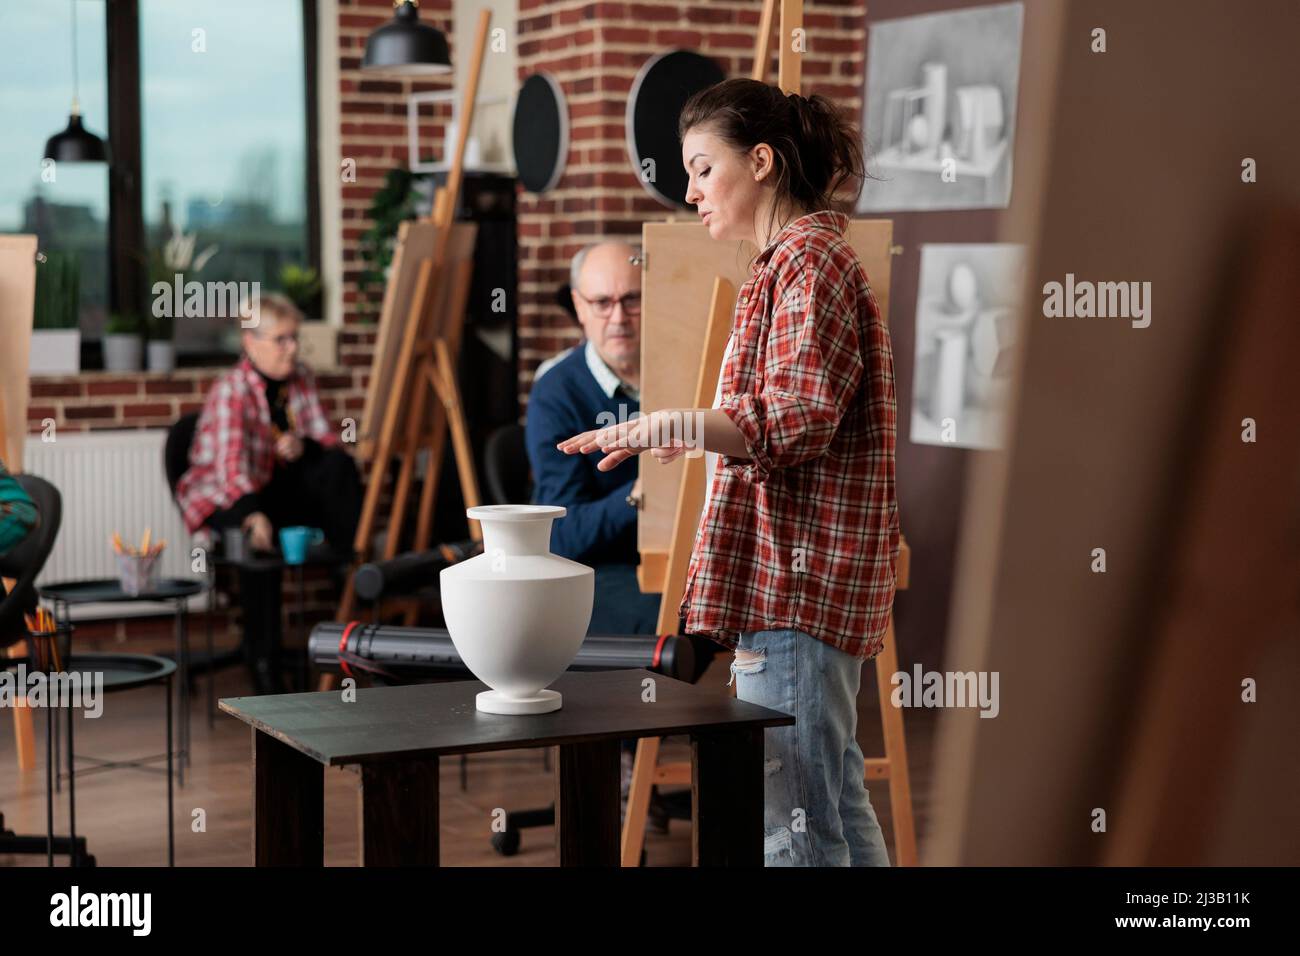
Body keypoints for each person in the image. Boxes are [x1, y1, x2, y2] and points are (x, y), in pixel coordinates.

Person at [558, 78, 900, 866]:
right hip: (796, 585)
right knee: (835, 808)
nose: (692, 191)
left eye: (704, 168)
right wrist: (698, 436)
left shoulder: (807, 263)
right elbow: (785, 420)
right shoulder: (789, 262)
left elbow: (798, 414)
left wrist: (666, 424)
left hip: (794, 588)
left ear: (764, 162)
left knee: (791, 829)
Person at [175, 292, 362, 693]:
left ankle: (345, 564)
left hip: (271, 483)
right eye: (281, 339)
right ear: (250, 342)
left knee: (338, 465)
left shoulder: (301, 378)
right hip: (222, 495)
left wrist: (304, 445)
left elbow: (328, 438)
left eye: (294, 338)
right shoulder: (232, 390)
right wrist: (251, 513)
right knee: (257, 543)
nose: (292, 348)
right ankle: (264, 664)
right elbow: (230, 468)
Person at [525, 241, 661, 634]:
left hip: (684, 554)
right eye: (602, 302)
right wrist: (642, 495)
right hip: (599, 570)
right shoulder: (556, 392)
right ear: (579, 307)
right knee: (670, 619)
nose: (619, 317)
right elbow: (561, 534)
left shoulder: (685, 373)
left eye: (632, 299)